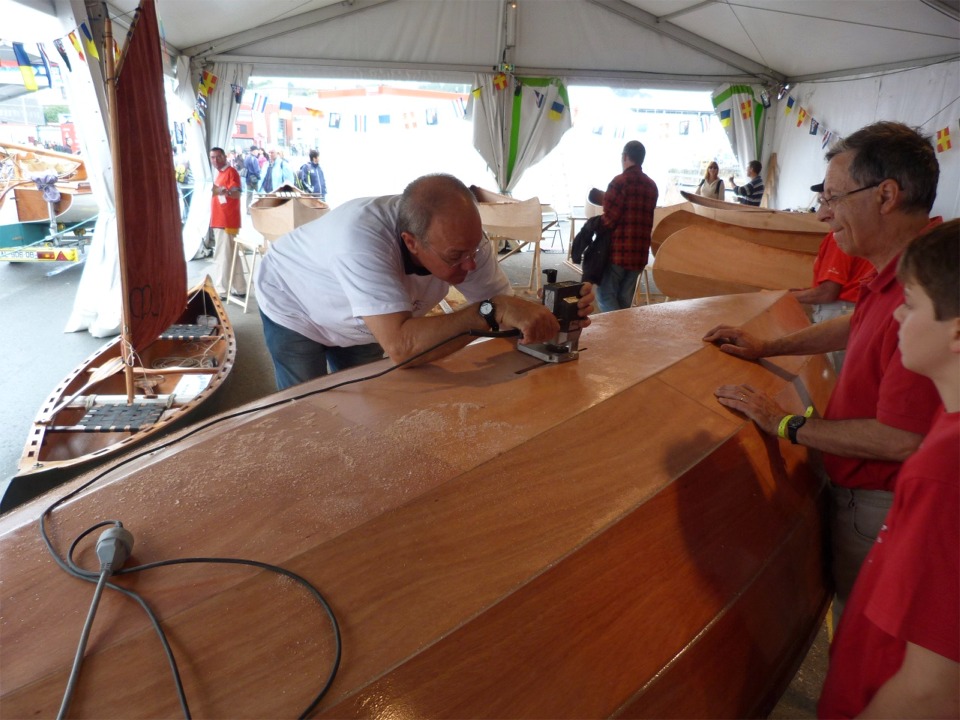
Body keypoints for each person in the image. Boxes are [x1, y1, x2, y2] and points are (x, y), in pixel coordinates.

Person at [703, 121, 943, 615]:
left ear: (886, 196)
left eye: (833, 198)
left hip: (882, 503)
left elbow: (902, 438)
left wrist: (785, 423)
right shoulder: (911, 267)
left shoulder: (936, 290)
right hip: (871, 495)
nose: (822, 215)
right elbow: (859, 322)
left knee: (866, 639)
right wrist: (768, 345)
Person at [254, 173, 595, 390]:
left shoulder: (464, 241)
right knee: (307, 411)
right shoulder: (360, 239)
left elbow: (502, 312)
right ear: (412, 242)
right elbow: (403, 349)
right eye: (455, 257)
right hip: (294, 305)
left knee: (372, 399)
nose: (471, 263)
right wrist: (494, 310)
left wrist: (542, 314)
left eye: (475, 248)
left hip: (368, 320)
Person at [818, 219, 959, 719]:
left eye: (912, 303)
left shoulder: (944, 467)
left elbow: (932, 690)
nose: (896, 314)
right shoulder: (946, 420)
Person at [790, 230, 876, 371]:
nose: (820, 215)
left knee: (831, 375)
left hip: (838, 313)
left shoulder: (839, 237)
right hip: (860, 310)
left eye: (825, 206)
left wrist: (783, 297)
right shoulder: (864, 233)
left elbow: (827, 293)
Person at [593, 140, 658, 313]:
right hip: (639, 254)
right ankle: (622, 335)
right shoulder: (652, 186)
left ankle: (616, 333)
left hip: (618, 253)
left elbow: (609, 219)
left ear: (624, 156)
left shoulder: (619, 182)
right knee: (624, 300)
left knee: (605, 295)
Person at [208, 146, 246, 298]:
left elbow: (237, 194)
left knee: (223, 255)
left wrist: (225, 191)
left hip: (226, 220)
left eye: (218, 157)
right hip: (223, 219)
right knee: (231, 254)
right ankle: (239, 287)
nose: (215, 160)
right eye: (212, 157)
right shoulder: (222, 174)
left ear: (224, 157)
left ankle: (221, 289)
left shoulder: (231, 172)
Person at [243, 145, 261, 212]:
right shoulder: (255, 159)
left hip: (248, 179)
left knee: (249, 196)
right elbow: (256, 170)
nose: (257, 152)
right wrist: (259, 177)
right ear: (254, 151)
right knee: (260, 193)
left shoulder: (246, 158)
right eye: (257, 151)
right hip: (254, 179)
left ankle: (248, 210)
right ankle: (262, 208)